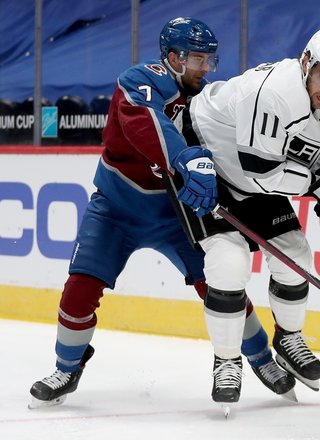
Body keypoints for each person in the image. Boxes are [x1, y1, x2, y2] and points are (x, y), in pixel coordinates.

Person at [28, 17, 295, 410]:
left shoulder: (205, 98)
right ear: (172, 57)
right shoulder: (139, 79)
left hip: (176, 214)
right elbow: (148, 124)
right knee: (79, 289)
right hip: (117, 209)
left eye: (210, 60)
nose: (206, 68)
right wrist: (185, 158)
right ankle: (67, 367)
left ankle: (260, 358)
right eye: (198, 59)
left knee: (221, 285)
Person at [170, 26, 320, 404]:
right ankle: (227, 360)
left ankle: (289, 338)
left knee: (296, 256)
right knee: (229, 263)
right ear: (306, 63)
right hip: (205, 164)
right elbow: (263, 173)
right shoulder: (276, 91)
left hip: (260, 176)